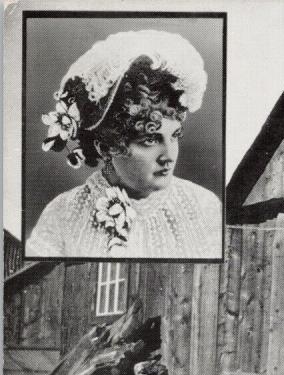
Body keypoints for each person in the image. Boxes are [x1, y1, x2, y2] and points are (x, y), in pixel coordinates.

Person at [26, 30, 221, 258]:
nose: (169, 156)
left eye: (174, 136)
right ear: (106, 147)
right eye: (150, 140)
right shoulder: (63, 214)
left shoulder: (202, 206)